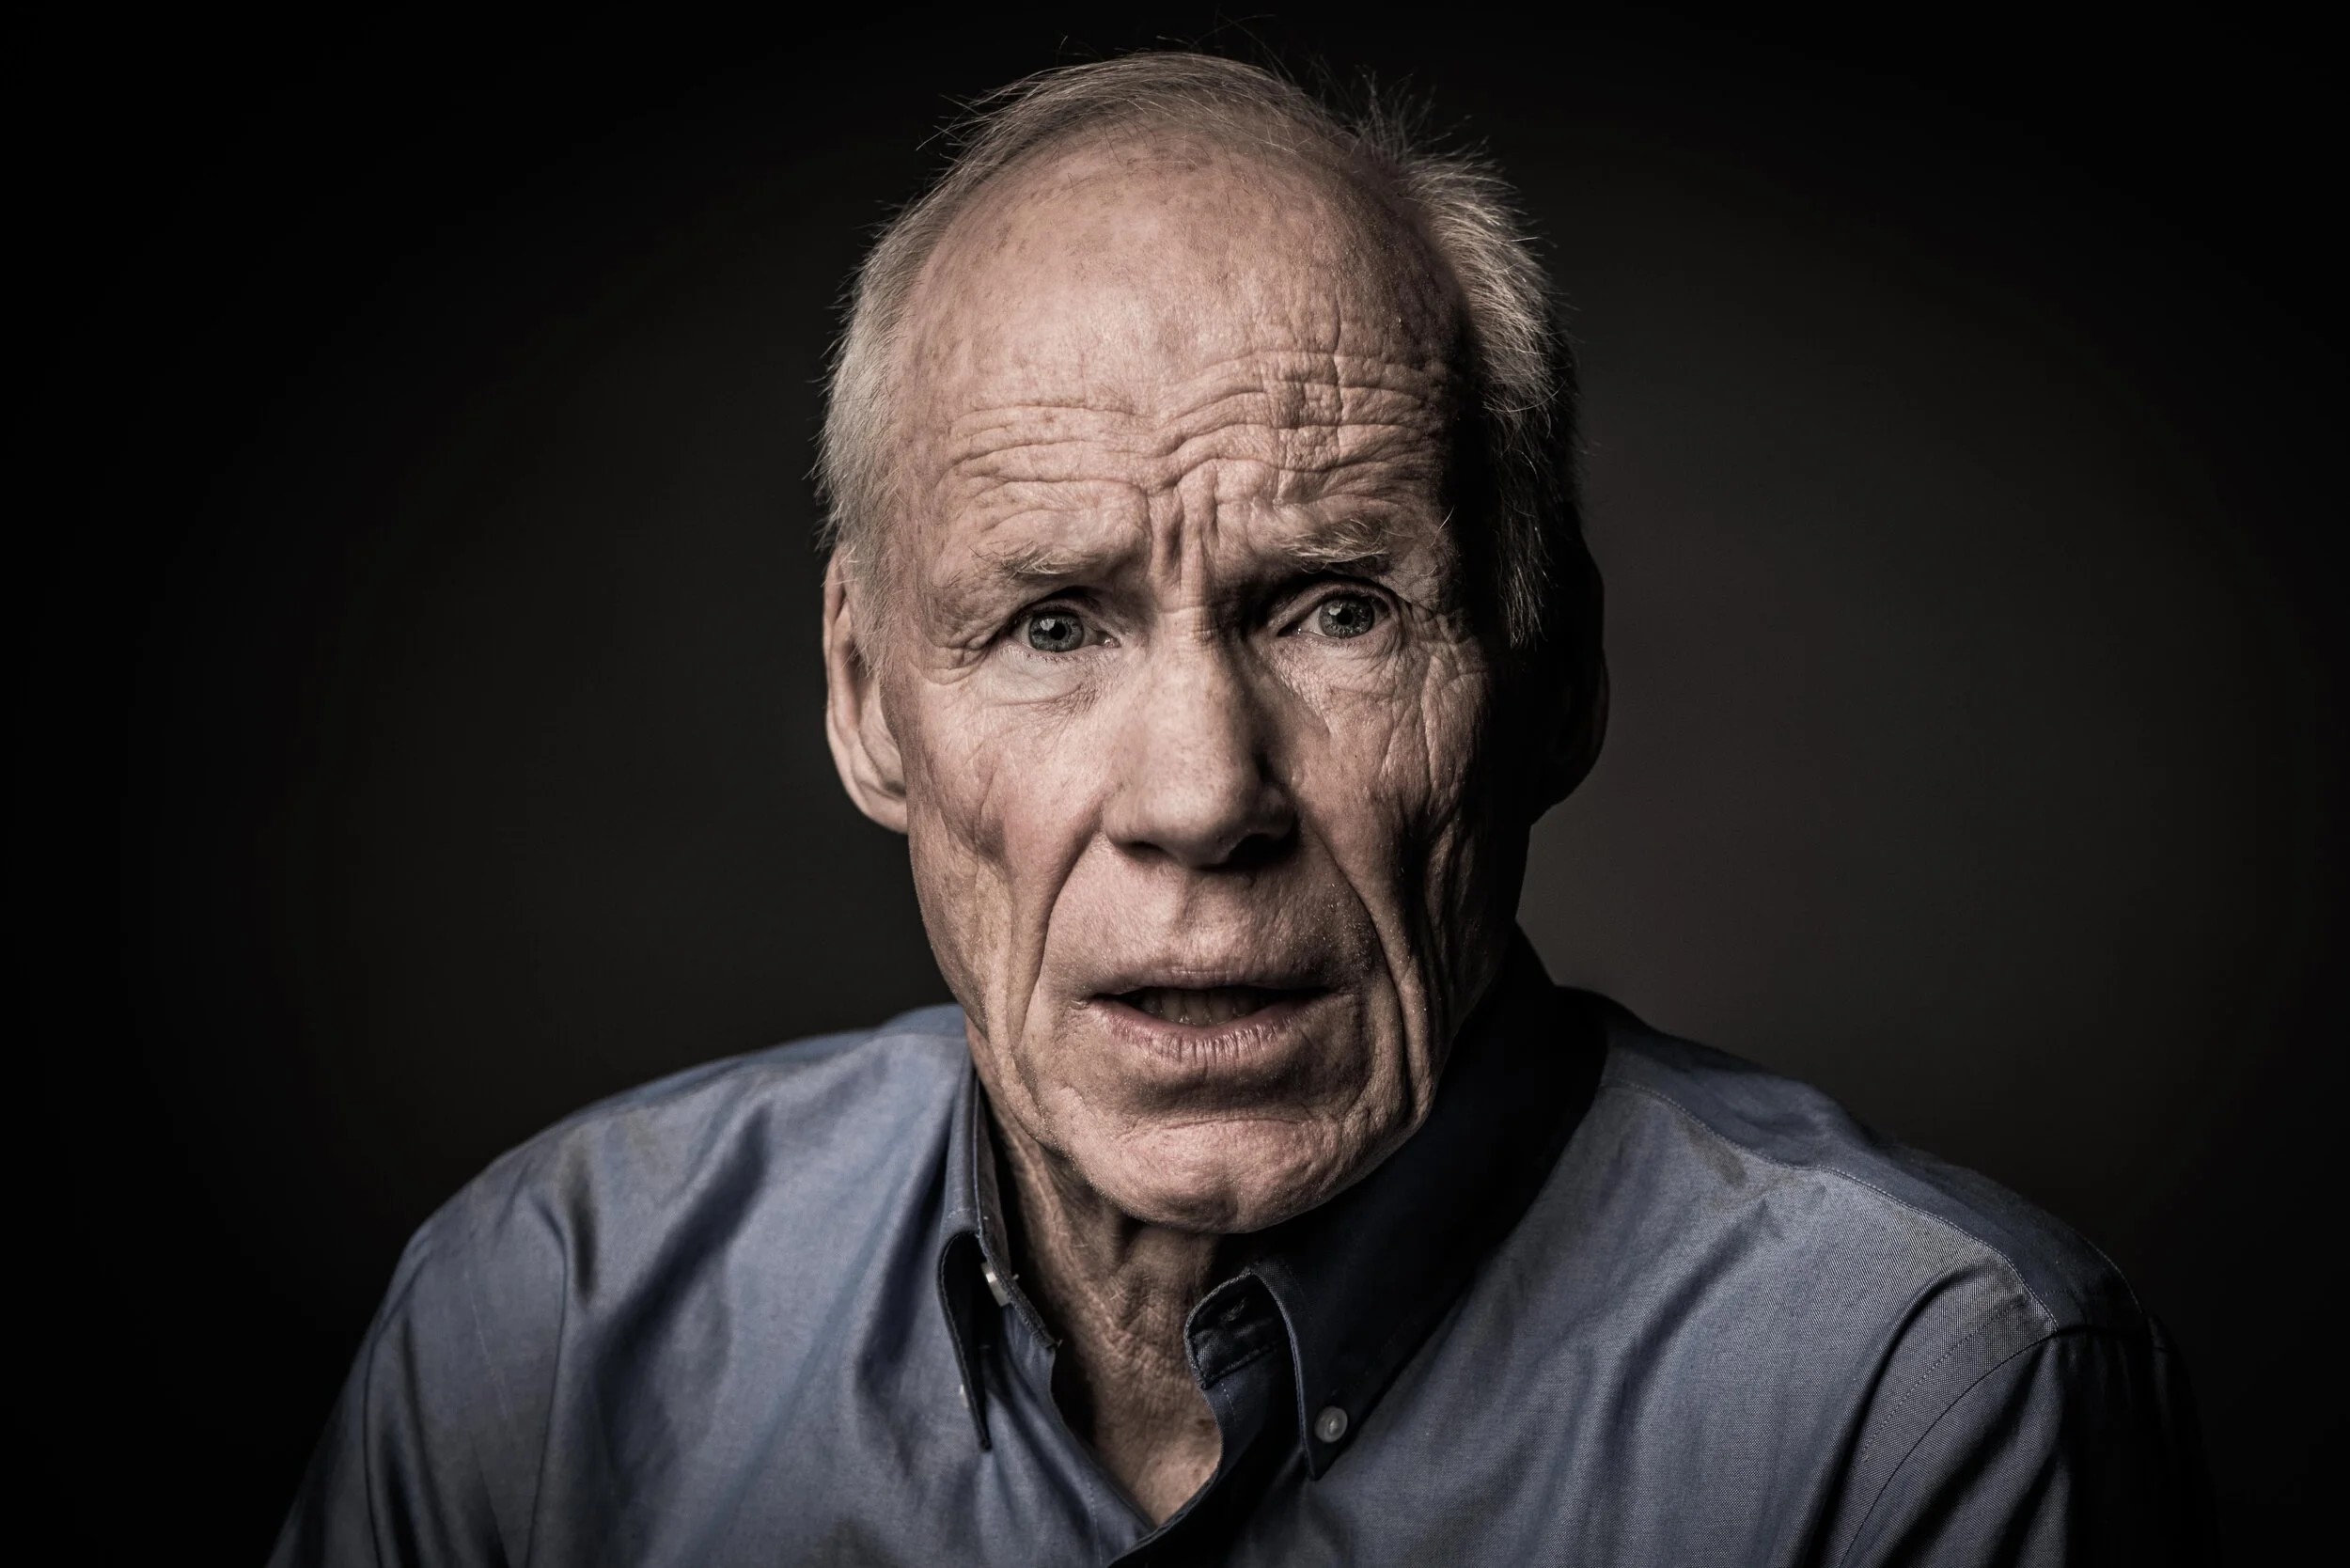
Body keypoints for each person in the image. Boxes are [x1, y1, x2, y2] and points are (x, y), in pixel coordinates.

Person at [272, 52, 2211, 1566]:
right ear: (865, 699)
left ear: (1553, 679)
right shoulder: (545, 1330)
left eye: (1336, 608)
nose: (1202, 800)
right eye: (1051, 623)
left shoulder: (1920, 1396)